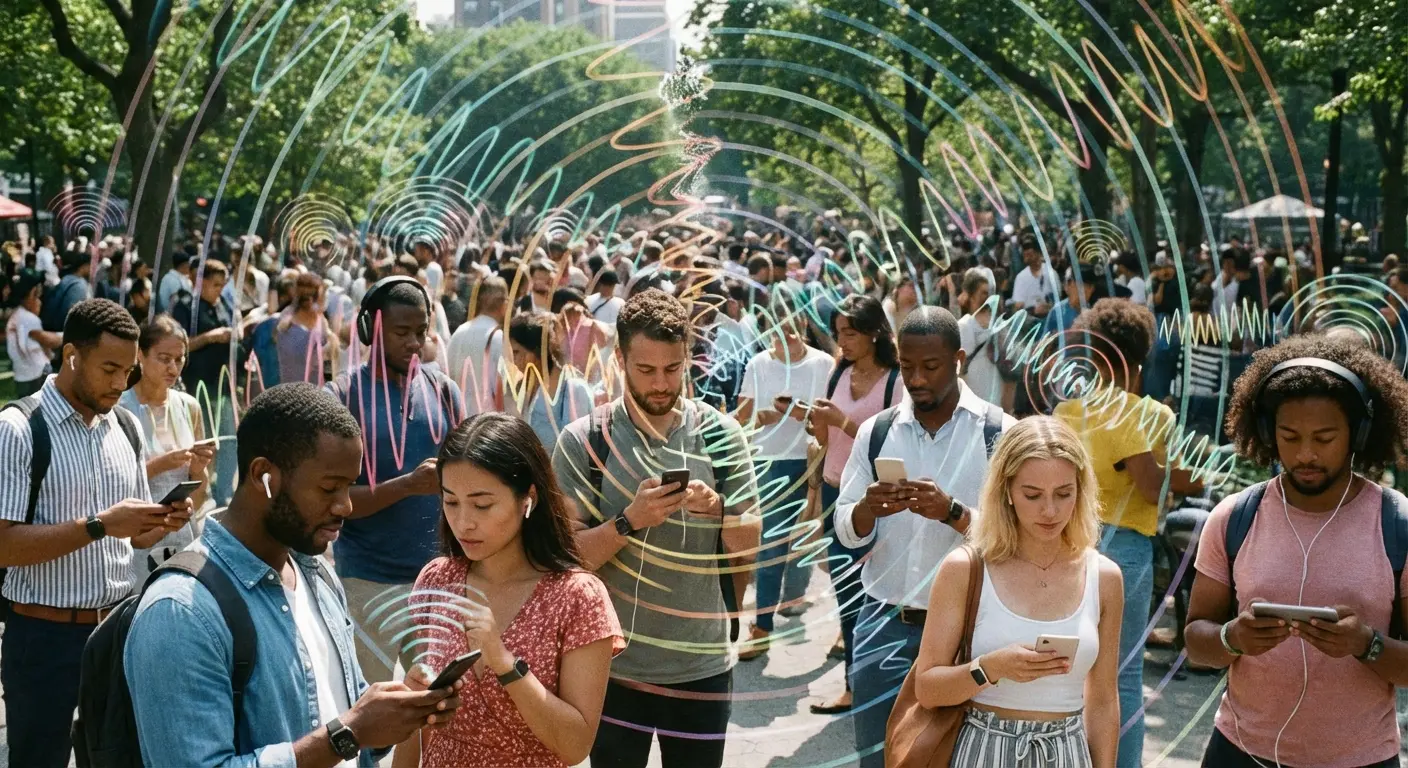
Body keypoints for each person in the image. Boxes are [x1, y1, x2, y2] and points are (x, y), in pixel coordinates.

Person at [125, 383, 466, 767]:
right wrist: (347, 733)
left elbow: (347, 720)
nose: (345, 505)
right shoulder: (181, 612)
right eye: (329, 488)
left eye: (349, 485)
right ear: (262, 475)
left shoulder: (317, 575)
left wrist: (396, 710)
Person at [552, 288, 758, 768]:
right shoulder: (584, 441)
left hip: (702, 667)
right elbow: (566, 558)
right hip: (610, 671)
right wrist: (629, 521)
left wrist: (720, 510)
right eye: (646, 370)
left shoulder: (721, 435)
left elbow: (750, 543)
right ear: (619, 358)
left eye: (673, 368)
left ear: (688, 358)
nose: (661, 384)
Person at [1184, 335, 1408, 768]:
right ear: (1268, 433)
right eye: (1289, 437)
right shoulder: (1234, 517)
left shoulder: (1397, 523)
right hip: (1238, 753)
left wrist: (1367, 645)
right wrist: (1233, 638)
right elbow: (1196, 642)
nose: (1306, 454)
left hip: (1361, 761)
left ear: (1358, 434)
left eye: (1324, 438)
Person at [0, 299, 192, 768]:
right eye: (108, 368)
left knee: (116, 757)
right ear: (71, 356)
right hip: (42, 636)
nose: (118, 383)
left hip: (115, 630)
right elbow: (4, 544)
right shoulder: (19, 428)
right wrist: (99, 525)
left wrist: (160, 522)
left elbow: (135, 540)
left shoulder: (124, 426)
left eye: (127, 371)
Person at [835, 306, 1016, 768]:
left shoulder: (1000, 434)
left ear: (958, 359)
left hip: (971, 635)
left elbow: (1021, 538)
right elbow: (844, 528)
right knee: (876, 756)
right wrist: (866, 510)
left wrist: (954, 513)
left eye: (930, 367)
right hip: (883, 624)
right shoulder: (878, 433)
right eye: (907, 366)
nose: (916, 379)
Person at [394, 413, 623, 768]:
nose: (464, 522)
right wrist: (412, 702)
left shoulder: (578, 598)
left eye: (482, 505)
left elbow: (576, 745)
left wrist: (503, 661)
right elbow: (412, 733)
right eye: (451, 501)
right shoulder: (436, 581)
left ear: (528, 498)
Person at [912, 416, 1122, 767]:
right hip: (982, 748)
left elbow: (1103, 699)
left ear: (1081, 490)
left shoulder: (1105, 577)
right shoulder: (964, 569)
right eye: (1032, 494)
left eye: (1064, 493)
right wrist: (990, 668)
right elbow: (927, 689)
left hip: (1068, 753)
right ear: (1006, 492)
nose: (1050, 510)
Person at [1054, 298, 1204, 767]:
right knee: (1122, 675)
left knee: (1068, 670)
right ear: (1138, 360)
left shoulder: (1067, 411)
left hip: (1068, 544)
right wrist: (1183, 479)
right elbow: (1153, 483)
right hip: (1126, 550)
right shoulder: (1147, 413)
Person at [325, 277, 465, 683]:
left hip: (438, 580)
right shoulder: (342, 396)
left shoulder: (445, 391)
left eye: (421, 332)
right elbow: (333, 499)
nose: (414, 343)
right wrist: (404, 485)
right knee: (368, 716)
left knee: (437, 710)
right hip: (367, 583)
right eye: (402, 333)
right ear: (372, 330)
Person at [803, 293, 904, 715]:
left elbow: (893, 438)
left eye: (850, 333)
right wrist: (815, 426)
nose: (842, 341)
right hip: (834, 489)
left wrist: (840, 421)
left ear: (874, 332)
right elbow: (825, 440)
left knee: (879, 593)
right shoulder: (837, 373)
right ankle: (853, 683)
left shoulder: (895, 380)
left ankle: (885, 684)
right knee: (845, 593)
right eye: (838, 333)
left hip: (876, 499)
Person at [735, 288, 832, 660]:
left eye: (793, 326)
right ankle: (762, 625)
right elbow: (741, 415)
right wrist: (755, 419)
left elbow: (831, 416)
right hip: (770, 461)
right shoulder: (759, 365)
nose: (786, 335)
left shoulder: (823, 364)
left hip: (813, 462)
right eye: (778, 328)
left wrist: (800, 414)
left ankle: (842, 628)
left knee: (820, 542)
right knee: (772, 544)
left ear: (804, 323)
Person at [119, 316, 218, 580]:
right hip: (134, 536)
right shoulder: (120, 409)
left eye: (180, 359)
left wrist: (197, 470)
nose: (173, 368)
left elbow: (199, 493)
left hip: (182, 532)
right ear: (140, 354)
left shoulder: (188, 406)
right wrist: (161, 464)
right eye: (164, 358)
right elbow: (112, 484)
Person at [506, 310, 594, 450]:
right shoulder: (524, 388)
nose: (513, 361)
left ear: (534, 351)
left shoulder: (573, 390)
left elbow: (575, 450)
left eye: (516, 352)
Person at [446, 274, 509, 415]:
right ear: (504, 304)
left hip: (459, 419)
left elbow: (446, 374)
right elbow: (502, 389)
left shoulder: (459, 332)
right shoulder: (498, 337)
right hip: (487, 422)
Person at [7, 274, 60, 396]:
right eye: (37, 297)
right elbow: (49, 342)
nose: (40, 302)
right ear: (31, 296)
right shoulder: (29, 319)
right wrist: (64, 336)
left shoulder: (16, 316)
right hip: (36, 373)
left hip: (21, 374)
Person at [956, 267, 1002, 405]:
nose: (987, 297)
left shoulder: (997, 324)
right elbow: (960, 370)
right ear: (971, 295)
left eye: (989, 293)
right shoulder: (964, 325)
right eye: (983, 293)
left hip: (995, 396)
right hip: (974, 398)